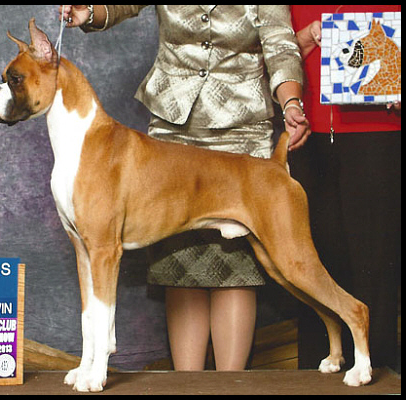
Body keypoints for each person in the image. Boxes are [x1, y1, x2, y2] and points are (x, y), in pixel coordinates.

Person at [59, 5, 310, 371]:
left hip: (240, 132)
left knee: (236, 268)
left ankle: (231, 384)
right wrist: (91, 12)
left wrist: (290, 102)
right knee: (178, 267)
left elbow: (280, 43)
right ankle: (185, 384)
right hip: (173, 131)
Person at [291, 5, 401, 370]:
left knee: (375, 264)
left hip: (378, 131)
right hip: (306, 133)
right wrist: (307, 37)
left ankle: (377, 369)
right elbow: (262, 55)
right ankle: (316, 372)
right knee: (311, 262)